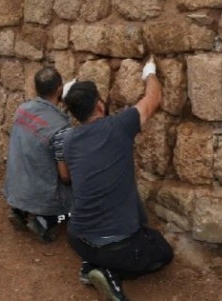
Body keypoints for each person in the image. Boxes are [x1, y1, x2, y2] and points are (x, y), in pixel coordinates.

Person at [62, 57, 173, 301]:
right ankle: (106, 272)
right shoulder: (119, 126)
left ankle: (90, 264)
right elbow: (152, 99)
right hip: (117, 247)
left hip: (77, 237)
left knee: (112, 242)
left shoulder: (69, 141)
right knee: (162, 252)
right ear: (100, 106)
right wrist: (150, 73)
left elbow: (68, 177)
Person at [3, 67, 73, 243]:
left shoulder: (22, 110)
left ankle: (19, 211)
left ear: (36, 88)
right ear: (60, 89)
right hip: (43, 196)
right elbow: (65, 177)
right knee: (75, 211)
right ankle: (46, 221)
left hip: (16, 188)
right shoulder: (61, 128)